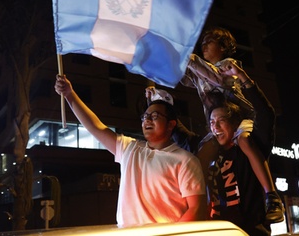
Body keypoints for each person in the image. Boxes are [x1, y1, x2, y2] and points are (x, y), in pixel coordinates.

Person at [54, 74, 207, 227]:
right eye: (145, 117)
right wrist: (70, 94)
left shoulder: (186, 160)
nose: (147, 120)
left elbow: (197, 208)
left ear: (171, 124)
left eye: (155, 116)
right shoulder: (130, 148)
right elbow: (96, 127)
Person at [176, 26, 284, 224]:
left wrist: (189, 57)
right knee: (199, 155)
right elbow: (181, 77)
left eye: (209, 41)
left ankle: (272, 197)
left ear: (223, 47)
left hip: (240, 120)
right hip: (218, 123)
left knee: (244, 141)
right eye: (202, 43)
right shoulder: (199, 71)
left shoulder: (227, 65)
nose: (204, 45)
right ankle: (195, 203)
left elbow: (216, 78)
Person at [206, 94, 274, 235]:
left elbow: (266, 115)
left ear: (235, 124)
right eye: (212, 122)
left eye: (221, 120)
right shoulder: (209, 154)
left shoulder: (249, 149)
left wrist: (245, 81)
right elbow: (179, 136)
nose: (216, 127)